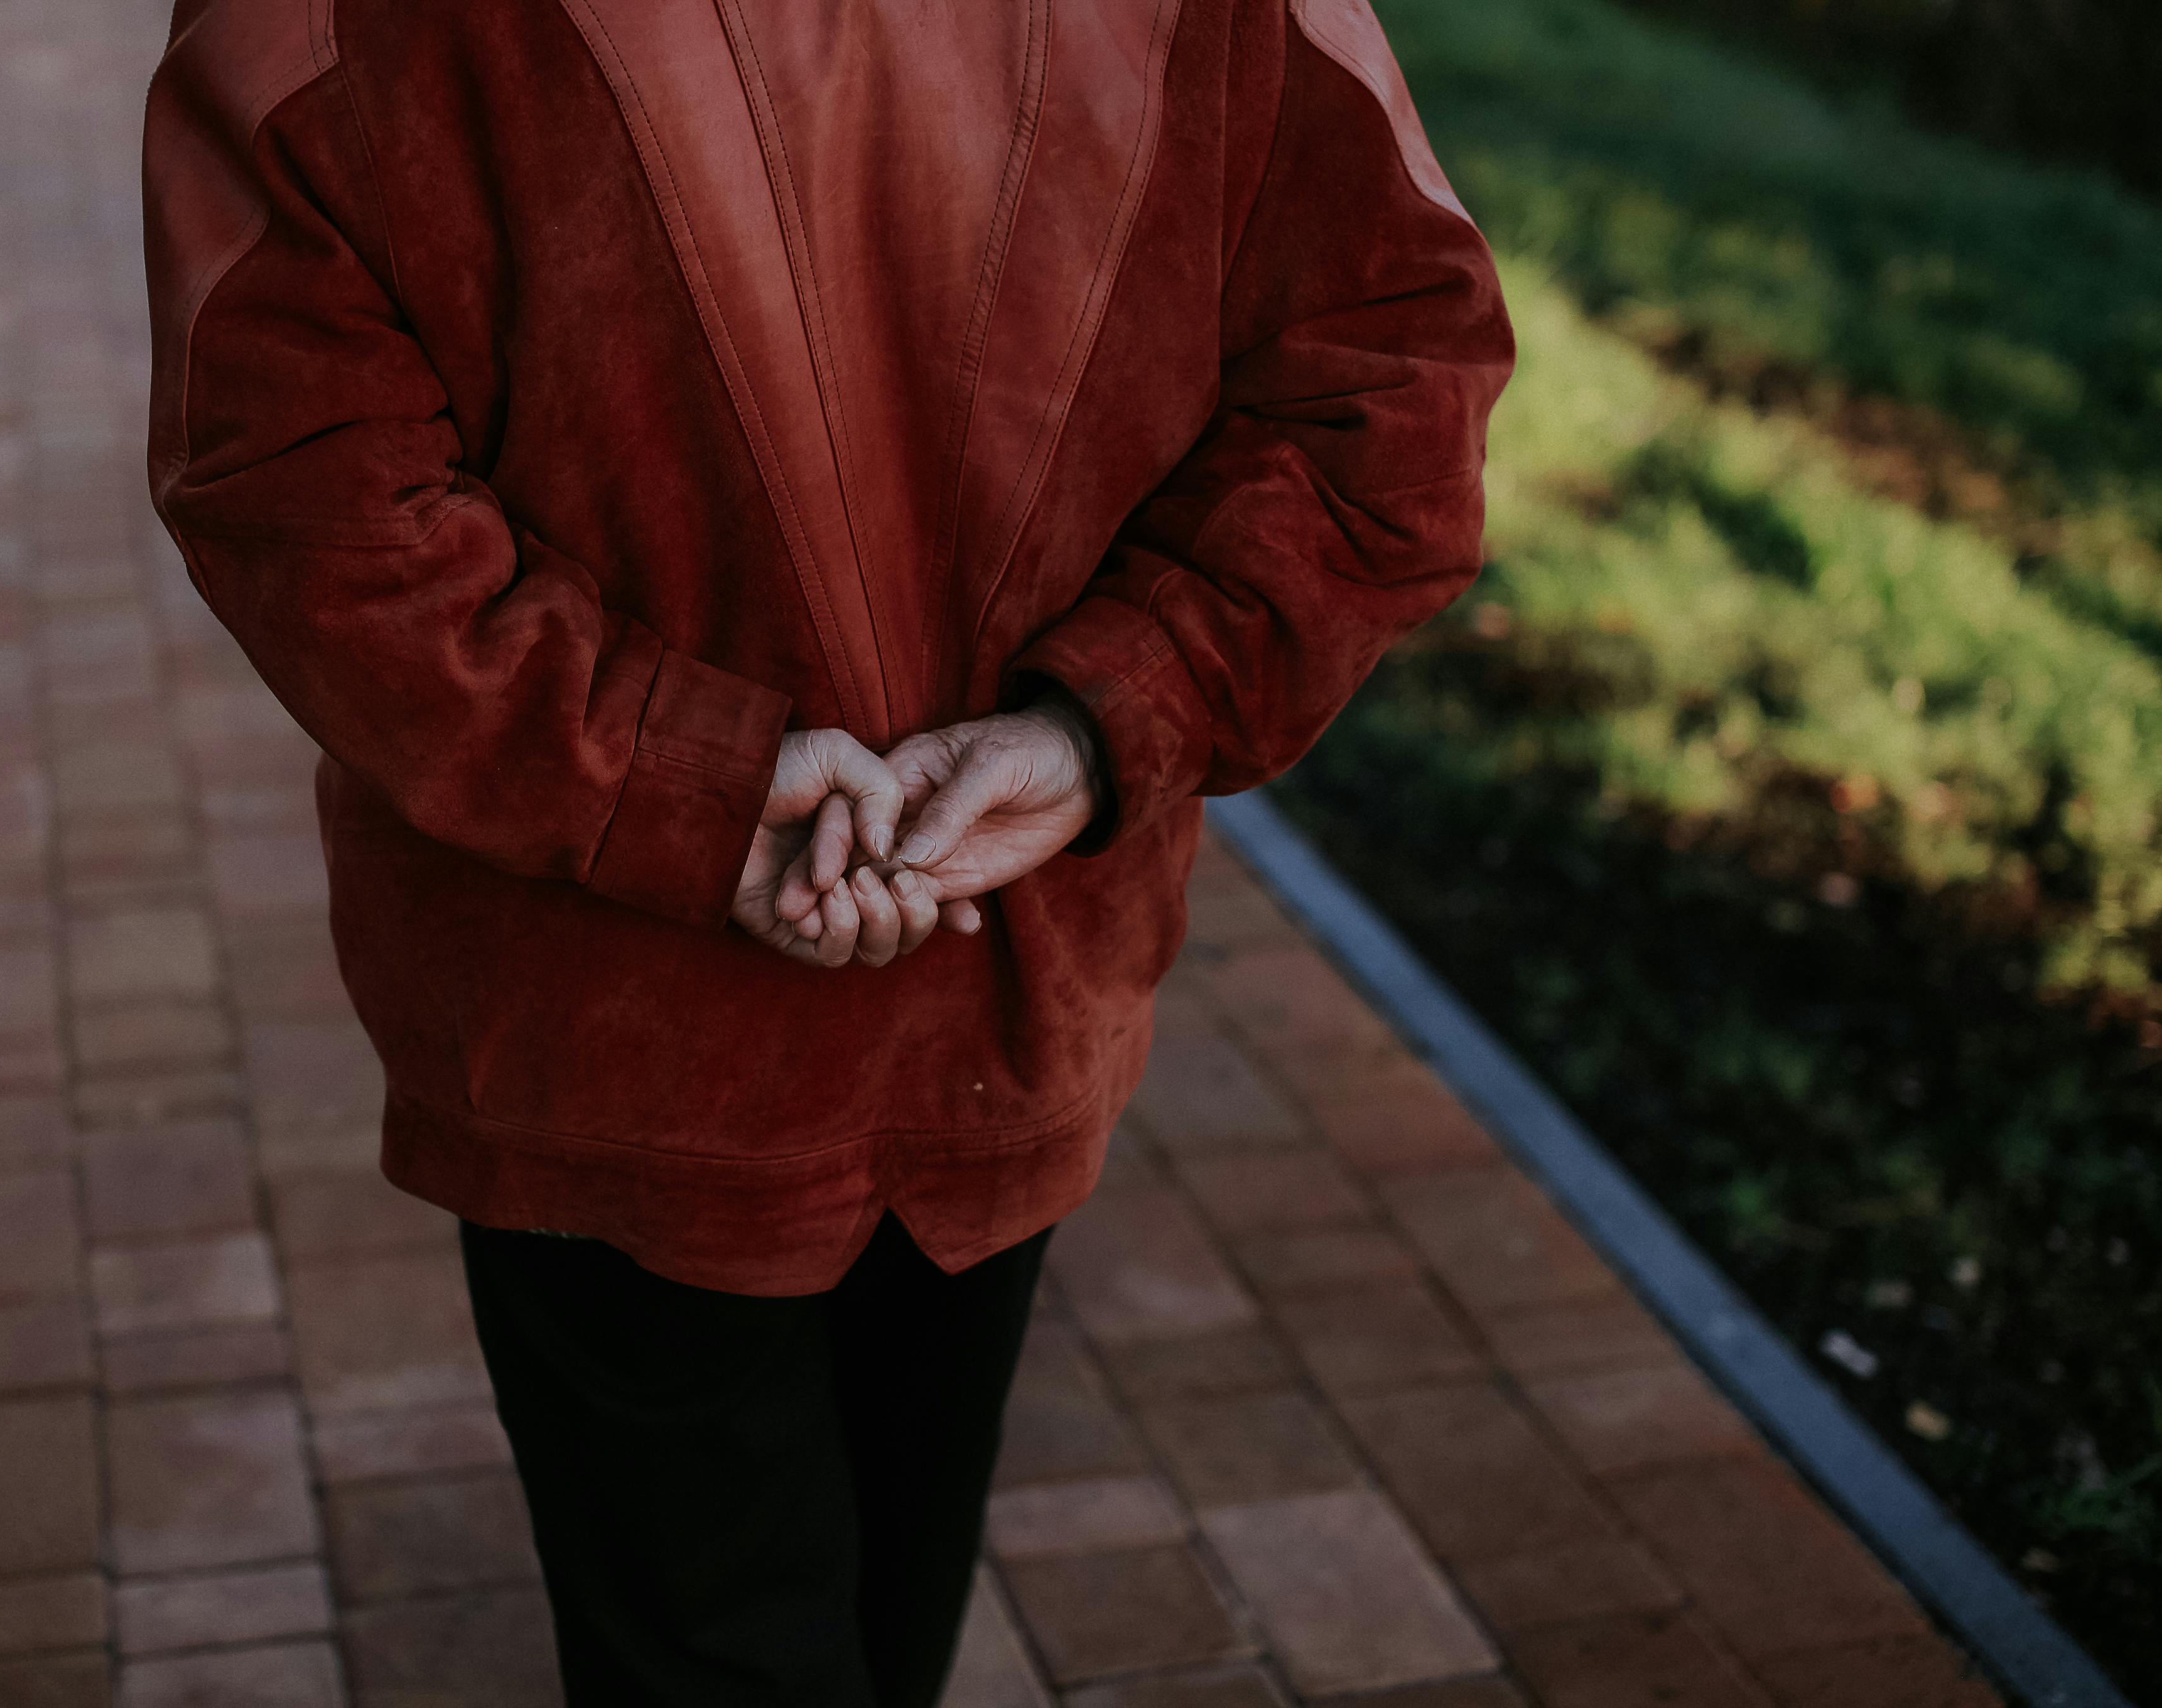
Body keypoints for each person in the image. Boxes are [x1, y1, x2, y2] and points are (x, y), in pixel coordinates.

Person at [139, 0, 1513, 1700]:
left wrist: (692, 785)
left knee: (715, 1642)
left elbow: (297, 476)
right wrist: (1095, 729)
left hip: (614, 1020)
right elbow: (1393, 383)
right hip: (987, 956)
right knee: (881, 1616)